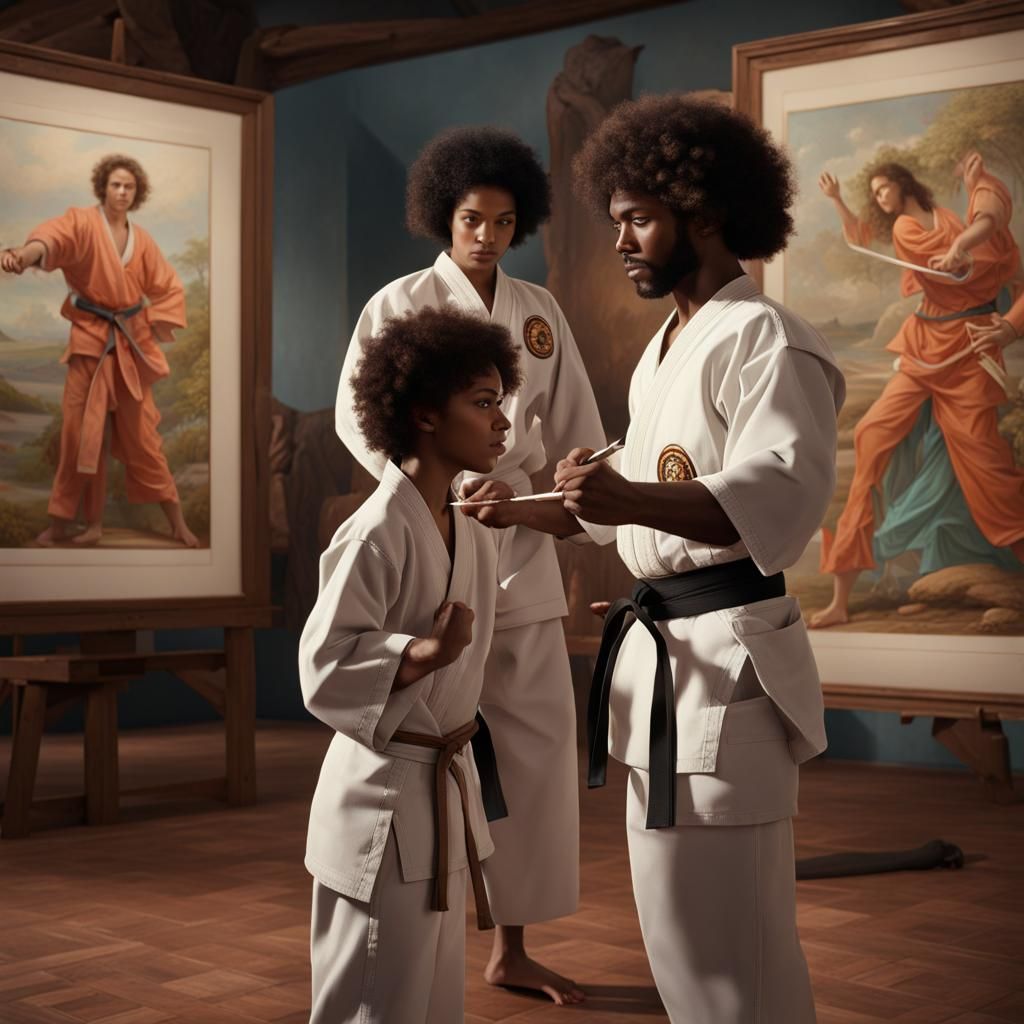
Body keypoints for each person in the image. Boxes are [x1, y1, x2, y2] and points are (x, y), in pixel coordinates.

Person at [468, 95, 844, 1023]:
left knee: (737, 950)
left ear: (705, 212)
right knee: (677, 935)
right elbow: (617, 510)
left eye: (639, 218)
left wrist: (623, 495)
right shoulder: (666, 349)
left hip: (730, 665)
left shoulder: (765, 338)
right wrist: (517, 506)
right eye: (617, 220)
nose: (624, 240)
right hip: (663, 668)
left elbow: (780, 498)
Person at [335, 126, 605, 1004]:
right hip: (431, 532)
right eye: (470, 218)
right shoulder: (398, 303)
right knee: (432, 737)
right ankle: (425, 927)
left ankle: (513, 946)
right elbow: (358, 416)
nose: (486, 235)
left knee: (535, 746)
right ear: (440, 218)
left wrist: (567, 503)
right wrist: (423, 493)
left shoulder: (538, 311)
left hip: (518, 541)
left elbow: (572, 426)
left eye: (502, 220)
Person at [300, 305, 521, 1023]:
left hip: (439, 797)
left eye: (501, 402)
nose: (502, 421)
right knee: (371, 1000)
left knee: (430, 1002)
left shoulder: (471, 533)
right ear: (424, 414)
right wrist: (417, 654)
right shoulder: (372, 533)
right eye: (483, 403)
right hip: (381, 799)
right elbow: (323, 667)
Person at [812, 155, 1024, 627]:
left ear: (906, 184)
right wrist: (839, 202)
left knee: (986, 465)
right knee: (869, 437)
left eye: (886, 189)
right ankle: (841, 597)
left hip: (969, 355)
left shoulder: (958, 220)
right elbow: (866, 239)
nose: (882, 198)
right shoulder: (909, 229)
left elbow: (994, 248)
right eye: (877, 194)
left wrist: (1008, 326)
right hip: (924, 346)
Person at [0, 154, 198, 548]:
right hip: (89, 344)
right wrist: (23, 255)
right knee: (80, 437)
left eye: (129, 187)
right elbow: (51, 240)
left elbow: (169, 288)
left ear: (136, 193)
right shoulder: (82, 223)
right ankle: (70, 524)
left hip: (128, 346)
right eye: (115, 185)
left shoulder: (142, 242)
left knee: (143, 438)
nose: (122, 192)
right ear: (102, 188)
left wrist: (148, 323)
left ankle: (178, 522)